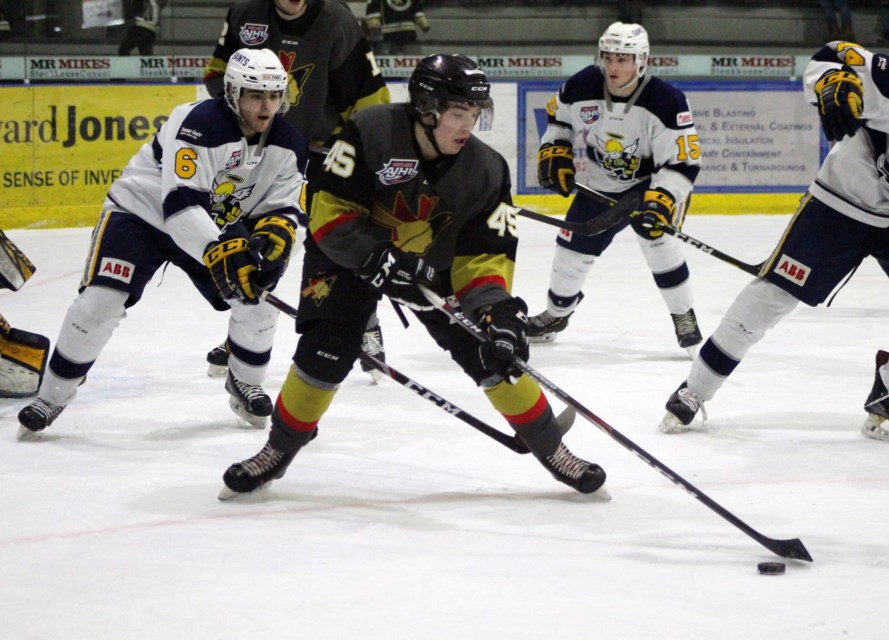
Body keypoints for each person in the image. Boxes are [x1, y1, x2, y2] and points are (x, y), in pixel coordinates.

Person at [219, 54, 607, 498]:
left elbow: (484, 257)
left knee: (494, 350)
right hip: (348, 257)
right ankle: (278, 450)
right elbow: (328, 214)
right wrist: (376, 258)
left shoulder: (488, 170)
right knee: (325, 350)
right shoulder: (369, 131)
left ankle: (553, 450)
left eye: (475, 115)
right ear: (426, 109)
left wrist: (495, 310)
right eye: (459, 114)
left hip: (433, 267)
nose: (468, 126)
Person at [659, 42, 889, 445]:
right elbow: (834, 54)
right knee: (771, 298)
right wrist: (834, 81)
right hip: (841, 201)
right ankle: (694, 389)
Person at [17, 49, 308, 439]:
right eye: (256, 95)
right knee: (101, 300)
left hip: (213, 223)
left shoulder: (289, 142)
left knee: (255, 293)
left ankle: (245, 381)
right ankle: (52, 396)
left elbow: (288, 208)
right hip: (142, 215)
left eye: (274, 95)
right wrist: (218, 250)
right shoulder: (199, 122)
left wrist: (277, 235)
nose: (267, 105)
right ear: (233, 93)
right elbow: (180, 204)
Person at [203, 0, 391, 381]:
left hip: (324, 150)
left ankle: (363, 323)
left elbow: (371, 97)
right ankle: (243, 336)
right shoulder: (245, 12)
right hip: (261, 147)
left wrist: (358, 151)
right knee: (259, 238)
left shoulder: (337, 21)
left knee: (333, 241)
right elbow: (217, 74)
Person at [528, 21, 703, 356]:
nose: (612, 66)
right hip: (599, 188)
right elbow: (559, 120)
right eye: (608, 57)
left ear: (641, 61)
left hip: (649, 187)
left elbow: (682, 164)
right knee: (571, 251)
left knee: (661, 247)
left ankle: (684, 315)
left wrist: (662, 199)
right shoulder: (581, 85)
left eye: (622, 59)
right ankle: (557, 315)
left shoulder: (667, 101)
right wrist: (555, 149)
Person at [364, 0, 430, 56]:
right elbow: (418, 12)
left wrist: (374, 25)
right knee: (411, 59)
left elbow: (373, 13)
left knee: (388, 59)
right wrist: (424, 24)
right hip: (401, 35)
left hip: (391, 36)